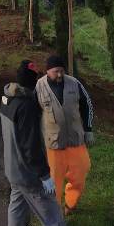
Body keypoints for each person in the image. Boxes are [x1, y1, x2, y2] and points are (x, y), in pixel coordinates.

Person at [0, 60, 76, 226]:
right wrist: (44, 175)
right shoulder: (26, 107)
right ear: (32, 82)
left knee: (16, 211)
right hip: (29, 176)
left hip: (13, 169)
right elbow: (30, 146)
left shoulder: (7, 98)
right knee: (53, 220)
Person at [35, 55, 94, 216]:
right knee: (54, 181)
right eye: (56, 71)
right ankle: (54, 214)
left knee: (81, 171)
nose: (60, 74)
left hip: (76, 140)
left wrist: (88, 129)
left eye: (62, 71)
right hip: (54, 144)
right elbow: (33, 113)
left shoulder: (74, 83)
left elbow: (87, 104)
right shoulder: (39, 87)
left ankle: (70, 203)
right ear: (48, 71)